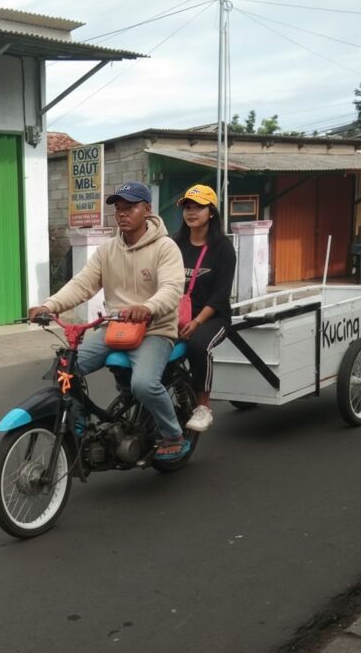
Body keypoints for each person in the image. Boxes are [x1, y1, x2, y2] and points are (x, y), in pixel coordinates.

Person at [28, 181, 189, 460]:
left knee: (143, 384)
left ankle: (173, 433)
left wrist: (147, 307)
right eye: (118, 208)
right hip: (116, 328)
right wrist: (49, 305)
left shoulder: (165, 248)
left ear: (147, 209)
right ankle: (79, 424)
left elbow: (172, 289)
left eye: (130, 207)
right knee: (65, 370)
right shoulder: (107, 251)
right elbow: (82, 284)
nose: (122, 213)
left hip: (155, 329)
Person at [174, 184, 236, 432]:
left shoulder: (223, 247)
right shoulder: (175, 244)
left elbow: (220, 295)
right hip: (177, 315)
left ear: (211, 213)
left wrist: (197, 321)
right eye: (187, 207)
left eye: (198, 207)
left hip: (212, 317)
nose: (191, 212)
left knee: (198, 345)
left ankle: (204, 406)